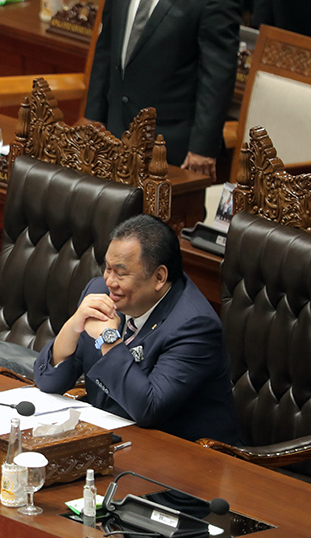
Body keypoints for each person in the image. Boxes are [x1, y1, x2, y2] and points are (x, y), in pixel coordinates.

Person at [34, 215, 239, 444]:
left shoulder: (195, 326)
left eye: (120, 273)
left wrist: (108, 339)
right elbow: (48, 382)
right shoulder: (102, 292)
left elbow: (148, 408)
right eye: (107, 268)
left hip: (185, 455)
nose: (109, 281)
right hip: (114, 437)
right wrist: (72, 326)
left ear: (159, 277)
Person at [85, 0, 241, 178]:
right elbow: (106, 46)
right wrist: (94, 117)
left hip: (170, 148)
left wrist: (203, 148)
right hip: (114, 134)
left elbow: (217, 77)